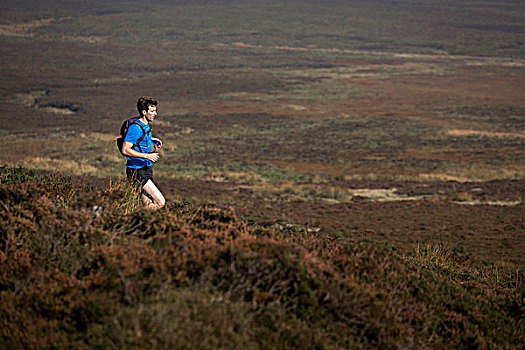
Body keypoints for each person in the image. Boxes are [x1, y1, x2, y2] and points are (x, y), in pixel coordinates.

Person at [122, 96, 166, 210]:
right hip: (137, 171)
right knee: (160, 202)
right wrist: (147, 155)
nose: (155, 113)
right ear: (144, 112)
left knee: (148, 205)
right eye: (152, 111)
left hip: (145, 168)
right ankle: (126, 217)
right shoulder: (135, 128)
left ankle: (138, 222)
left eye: (155, 110)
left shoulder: (145, 125)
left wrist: (152, 139)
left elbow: (139, 139)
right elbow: (125, 149)